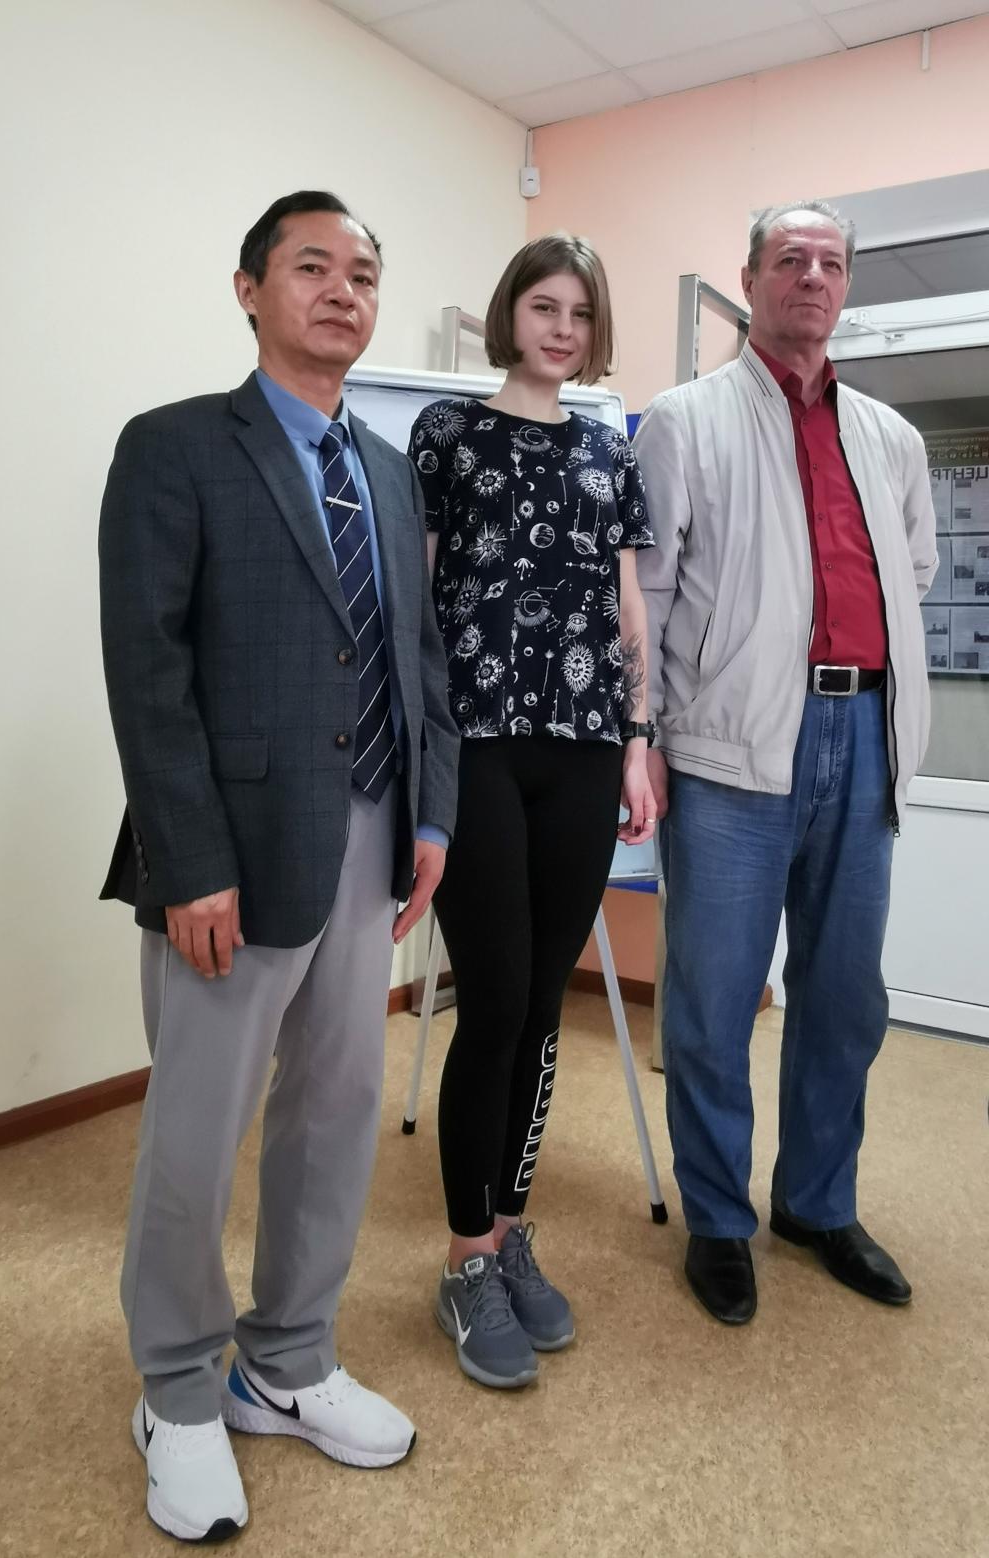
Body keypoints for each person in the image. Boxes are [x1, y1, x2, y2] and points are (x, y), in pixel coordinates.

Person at [99, 190, 458, 1542]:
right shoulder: (176, 447)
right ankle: (178, 1387)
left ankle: (289, 1356)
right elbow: (148, 669)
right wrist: (188, 859)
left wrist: (432, 819)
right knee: (198, 1126)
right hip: (228, 857)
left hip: (370, 841)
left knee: (337, 1106)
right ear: (250, 288)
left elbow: (419, 658)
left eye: (363, 271)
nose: (343, 290)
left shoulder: (391, 469)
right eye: (313, 266)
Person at [633, 200, 937, 1325]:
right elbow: (644, 594)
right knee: (713, 1001)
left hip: (864, 738)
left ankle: (815, 1203)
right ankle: (720, 1219)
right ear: (753, 279)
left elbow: (908, 574)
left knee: (845, 996)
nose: (812, 276)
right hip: (729, 747)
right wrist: (642, 738)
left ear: (845, 286)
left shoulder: (891, 440)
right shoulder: (683, 421)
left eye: (830, 262)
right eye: (789, 259)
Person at [409, 233, 656, 1390]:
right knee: (496, 998)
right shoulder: (445, 435)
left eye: (580, 313)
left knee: (544, 1006)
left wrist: (639, 741)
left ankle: (508, 1232)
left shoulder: (611, 450)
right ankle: (465, 1255)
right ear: (510, 313)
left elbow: (626, 611)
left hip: (586, 749)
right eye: (544, 306)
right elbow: (416, 601)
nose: (562, 328)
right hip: (475, 747)